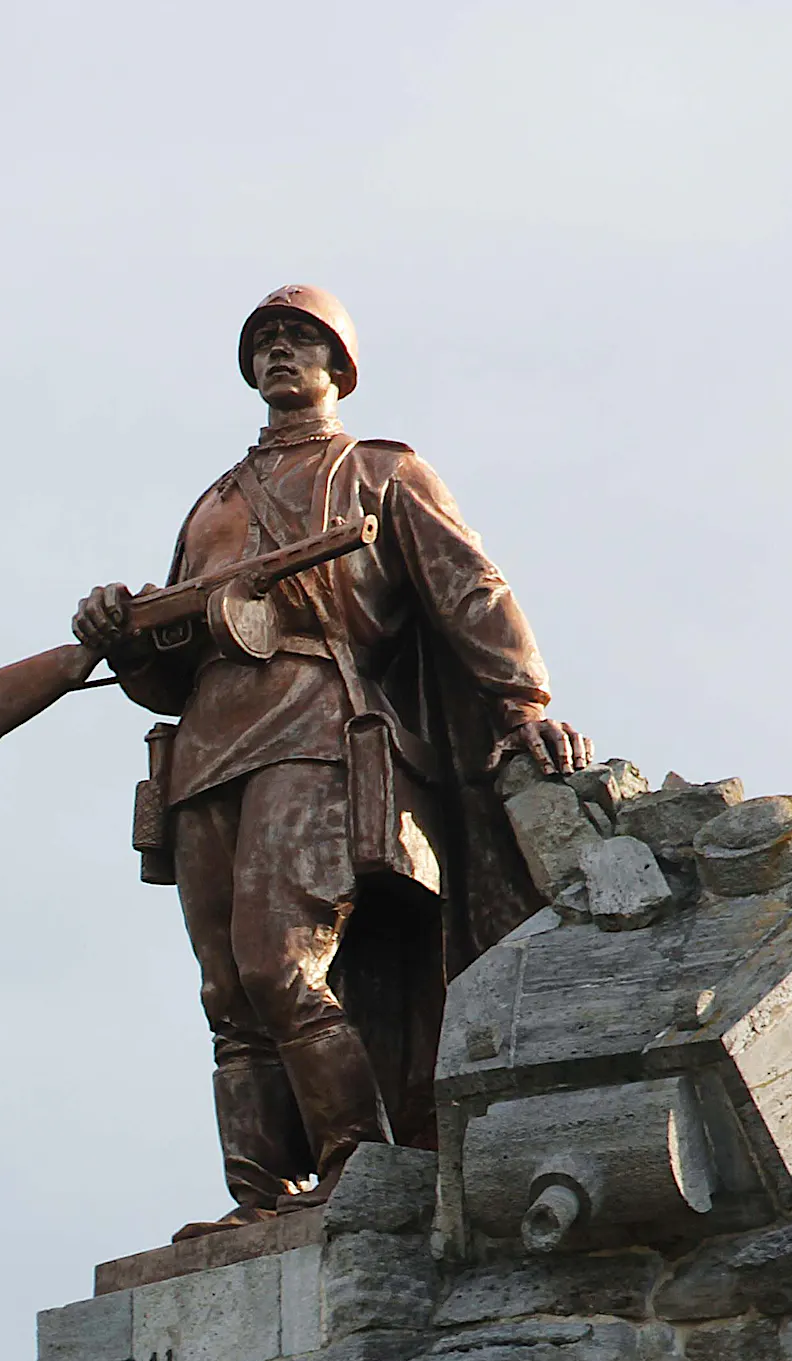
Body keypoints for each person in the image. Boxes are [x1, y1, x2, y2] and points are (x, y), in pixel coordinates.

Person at [73, 285, 591, 1240]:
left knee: (280, 965)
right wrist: (121, 636)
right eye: (265, 342)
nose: (279, 353)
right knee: (228, 993)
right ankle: (261, 1199)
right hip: (205, 752)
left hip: (316, 727)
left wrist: (522, 703)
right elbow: (177, 667)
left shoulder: (382, 471)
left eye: (299, 340)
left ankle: (361, 1170)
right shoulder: (215, 502)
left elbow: (470, 589)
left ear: (337, 366)